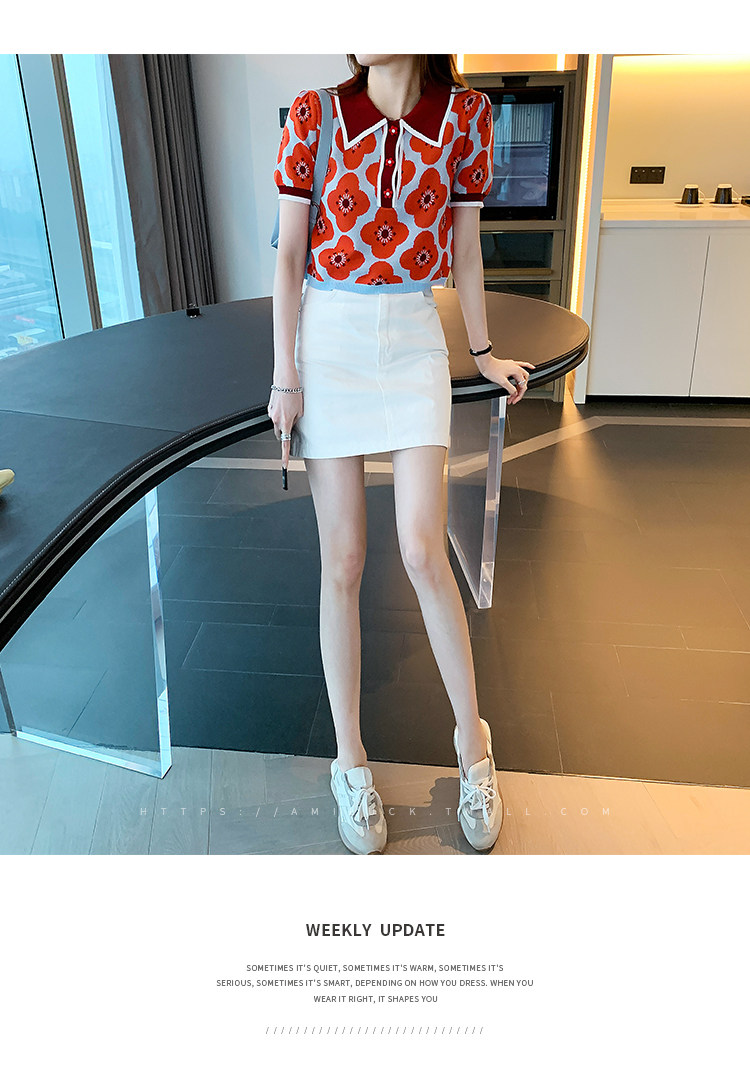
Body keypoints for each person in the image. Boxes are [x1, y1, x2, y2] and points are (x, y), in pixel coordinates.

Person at [270, 54, 535, 855]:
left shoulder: (466, 118)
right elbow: (288, 255)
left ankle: (473, 745)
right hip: (330, 341)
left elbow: (465, 249)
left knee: (423, 549)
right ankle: (350, 761)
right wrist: (285, 375)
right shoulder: (313, 114)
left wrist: (482, 352)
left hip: (415, 339)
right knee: (344, 560)